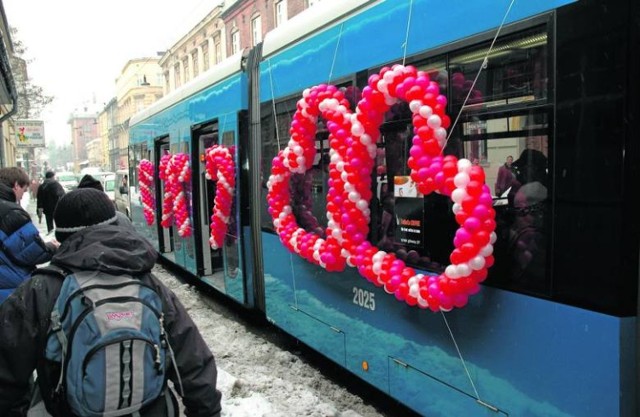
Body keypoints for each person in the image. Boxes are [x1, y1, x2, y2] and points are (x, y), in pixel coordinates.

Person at [0, 188, 222, 416]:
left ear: (60, 237)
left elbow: (7, 375)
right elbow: (190, 357)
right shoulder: (147, 282)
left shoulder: (40, 290)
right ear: (115, 224)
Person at [0, 167, 58, 304]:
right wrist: (52, 247)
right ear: (15, 185)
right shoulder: (10, 212)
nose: (22, 196)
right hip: (9, 288)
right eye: (24, 190)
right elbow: (30, 252)